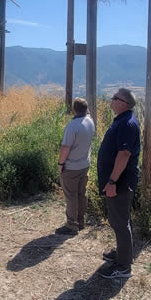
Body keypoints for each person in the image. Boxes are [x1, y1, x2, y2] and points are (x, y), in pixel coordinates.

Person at [96, 88, 141, 279]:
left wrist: (112, 181)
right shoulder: (123, 121)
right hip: (118, 182)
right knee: (121, 220)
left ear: (124, 103)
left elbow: (124, 155)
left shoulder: (127, 124)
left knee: (120, 222)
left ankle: (123, 267)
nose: (111, 100)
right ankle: (123, 254)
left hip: (120, 183)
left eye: (114, 98)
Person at [55, 97, 96, 236]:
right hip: (85, 164)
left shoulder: (72, 126)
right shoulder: (90, 122)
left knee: (71, 196)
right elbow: (87, 113)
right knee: (81, 194)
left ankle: (72, 225)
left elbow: (65, 148)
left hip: (71, 167)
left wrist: (60, 164)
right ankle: (81, 221)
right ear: (86, 109)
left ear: (73, 110)